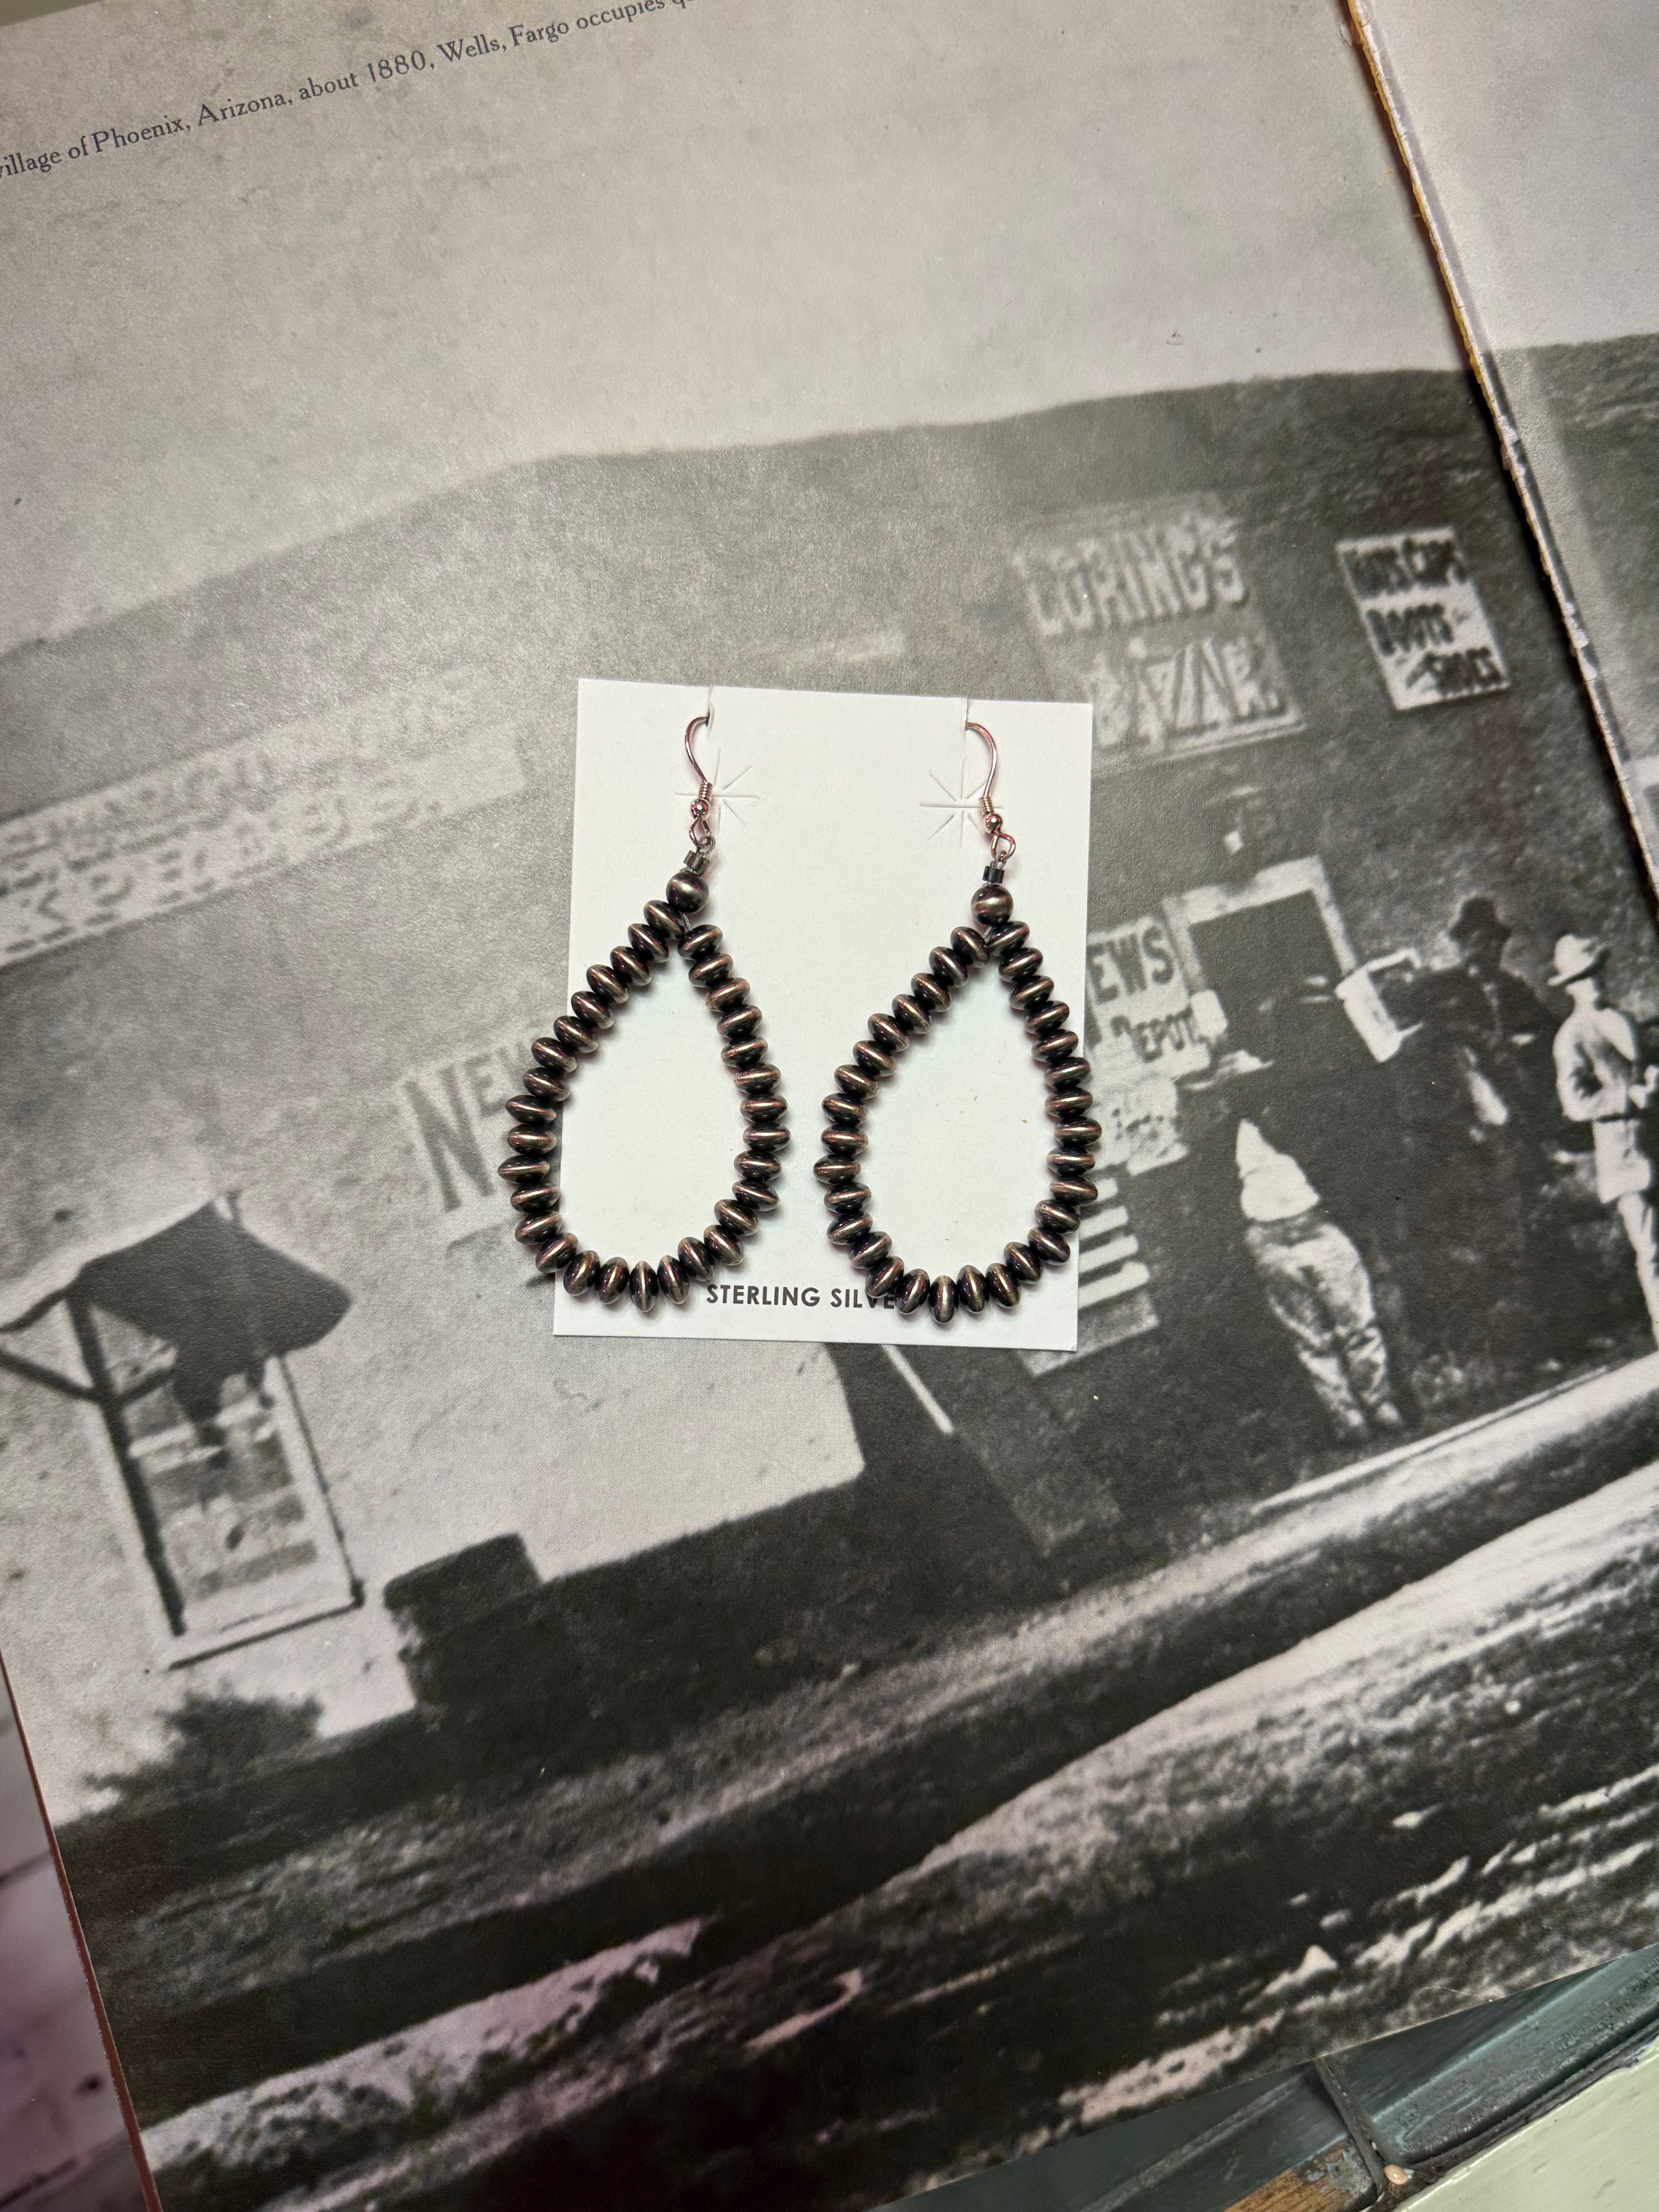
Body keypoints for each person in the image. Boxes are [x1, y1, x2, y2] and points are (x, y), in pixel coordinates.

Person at [1186, 1050, 1407, 1445]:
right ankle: (1348, 1419)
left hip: (1317, 1225)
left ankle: (1380, 1404)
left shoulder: (1296, 1118)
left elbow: (1335, 1166)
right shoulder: (1220, 1142)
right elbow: (1213, 1202)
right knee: (1310, 1336)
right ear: (1226, 1095)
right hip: (1269, 1238)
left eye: (1252, 1084)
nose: (1247, 1094)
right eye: (1237, 1089)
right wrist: (1246, 1236)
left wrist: (1342, 1213)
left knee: (1357, 1318)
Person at [1551, 933, 1659, 1344]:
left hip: (1654, 1141)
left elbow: (1644, 1063)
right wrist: (1628, 1097)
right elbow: (1576, 1103)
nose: (1592, 982)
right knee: (1651, 1248)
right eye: (1582, 977)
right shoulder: (1572, 1037)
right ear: (1570, 987)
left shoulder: (1623, 1018)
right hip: (1625, 1156)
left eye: (1595, 972)